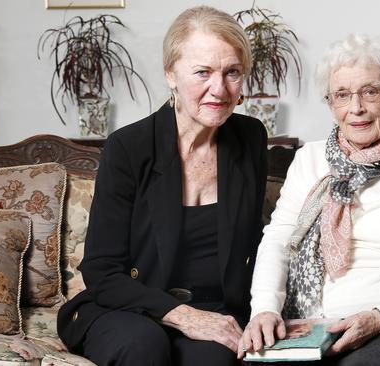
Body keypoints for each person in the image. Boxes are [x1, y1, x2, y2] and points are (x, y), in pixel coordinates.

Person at [238, 34, 380, 366]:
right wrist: (264, 308)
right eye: (342, 95)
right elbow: (278, 240)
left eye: (370, 91)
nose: (356, 108)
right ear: (330, 103)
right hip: (318, 323)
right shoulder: (311, 159)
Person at [57, 6, 268, 366]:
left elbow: (258, 242)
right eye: (202, 72)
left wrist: (267, 310)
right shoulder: (129, 147)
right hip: (126, 308)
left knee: (215, 360)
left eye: (232, 72)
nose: (219, 89)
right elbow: (101, 271)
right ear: (171, 74)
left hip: (215, 308)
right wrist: (184, 316)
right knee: (143, 346)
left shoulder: (250, 138)